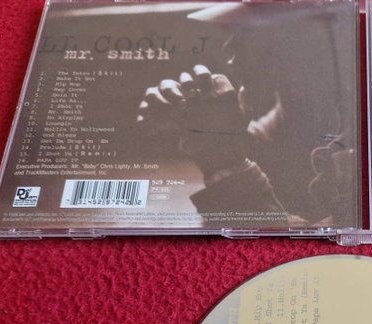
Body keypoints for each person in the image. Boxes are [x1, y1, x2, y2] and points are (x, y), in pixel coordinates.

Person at [137, 3, 357, 228]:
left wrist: (223, 158)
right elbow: (269, 142)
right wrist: (200, 124)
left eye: (250, 31)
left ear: (315, 40)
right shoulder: (301, 99)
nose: (229, 47)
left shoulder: (364, 137)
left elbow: (309, 239)